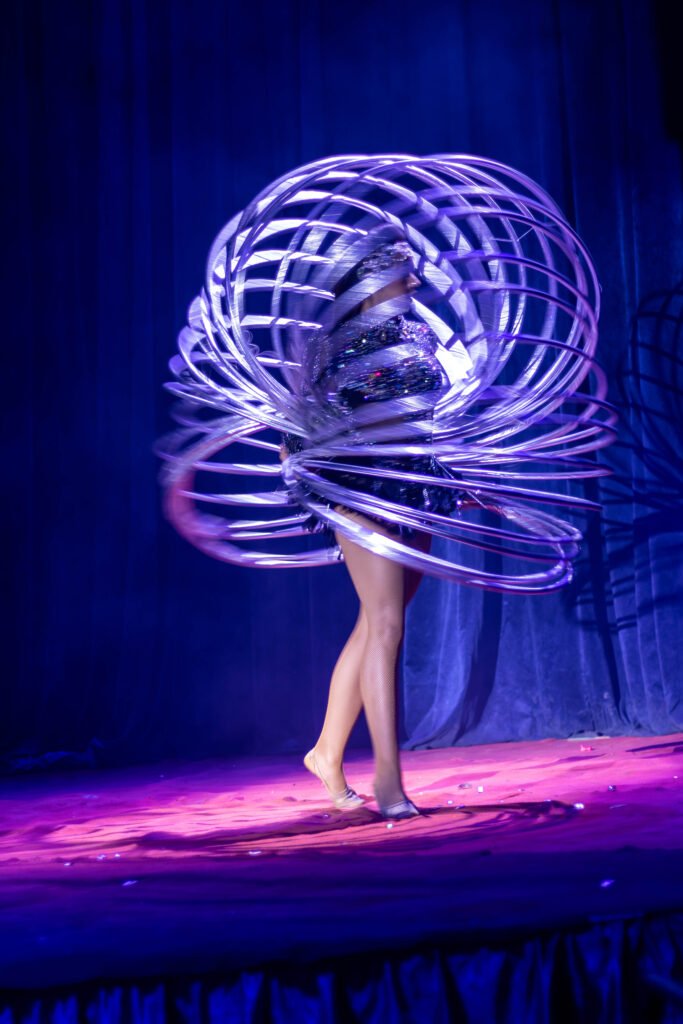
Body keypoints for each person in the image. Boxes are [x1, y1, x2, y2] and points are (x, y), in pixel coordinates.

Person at [280, 238, 459, 821]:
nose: (416, 281)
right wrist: (309, 475)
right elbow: (296, 429)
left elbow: (431, 417)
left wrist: (468, 478)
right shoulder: (329, 346)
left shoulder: (421, 334)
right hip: (359, 486)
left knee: (377, 620)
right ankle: (388, 780)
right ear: (370, 282)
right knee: (385, 625)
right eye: (404, 272)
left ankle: (326, 754)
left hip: (416, 486)